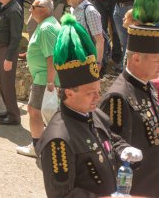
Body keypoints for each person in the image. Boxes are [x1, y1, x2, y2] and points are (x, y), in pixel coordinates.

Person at [35, 14, 143, 197]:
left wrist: (124, 150)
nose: (98, 97)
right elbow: (62, 195)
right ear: (69, 93)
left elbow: (111, 139)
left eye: (98, 90)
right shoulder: (58, 140)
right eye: (90, 93)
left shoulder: (93, 113)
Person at [100, 0, 159, 197]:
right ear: (135, 59)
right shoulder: (118, 96)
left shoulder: (146, 86)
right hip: (137, 190)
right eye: (156, 60)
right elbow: (113, 144)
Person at [16, 0, 60, 157]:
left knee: (34, 111)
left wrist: (50, 82)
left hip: (45, 78)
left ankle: (37, 147)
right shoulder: (48, 25)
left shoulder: (46, 28)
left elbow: (52, 57)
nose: (30, 9)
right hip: (45, 77)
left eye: (33, 6)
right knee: (47, 113)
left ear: (43, 9)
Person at [0, 0, 23, 125]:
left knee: (7, 83)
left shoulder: (14, 10)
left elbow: (16, 37)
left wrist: (9, 58)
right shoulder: (8, 7)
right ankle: (9, 110)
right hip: (1, 51)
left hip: (6, 52)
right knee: (3, 82)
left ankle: (14, 116)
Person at [62, 0, 105, 72]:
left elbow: (99, 40)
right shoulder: (72, 9)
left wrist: (97, 63)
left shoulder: (90, 12)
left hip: (88, 59)